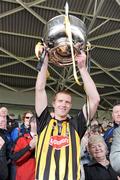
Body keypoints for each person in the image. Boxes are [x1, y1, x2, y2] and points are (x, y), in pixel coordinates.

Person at [35, 43, 100, 180]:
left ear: (70, 106)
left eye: (67, 102)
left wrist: (82, 69)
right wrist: (44, 61)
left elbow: (94, 99)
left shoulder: (76, 124)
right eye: (60, 101)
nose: (63, 105)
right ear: (53, 103)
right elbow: (40, 89)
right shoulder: (44, 120)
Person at [12, 115, 37, 180]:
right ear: (31, 123)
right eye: (37, 122)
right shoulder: (21, 139)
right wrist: (29, 147)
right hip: (25, 177)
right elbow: (15, 158)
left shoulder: (47, 139)